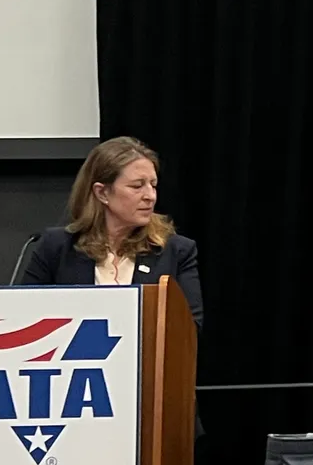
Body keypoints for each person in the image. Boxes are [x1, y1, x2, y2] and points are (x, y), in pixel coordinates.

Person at [18, 136, 204, 328]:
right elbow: (20, 315)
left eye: (153, 185)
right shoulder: (56, 247)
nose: (150, 196)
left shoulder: (176, 251)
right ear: (102, 193)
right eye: (137, 186)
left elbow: (190, 329)